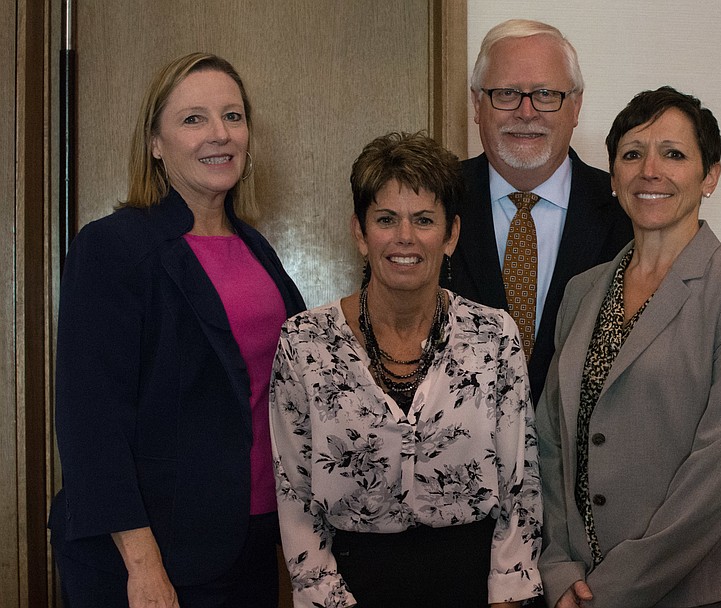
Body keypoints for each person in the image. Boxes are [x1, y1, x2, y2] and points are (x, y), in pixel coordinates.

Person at [48, 53, 305, 607]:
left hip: (253, 541)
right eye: (194, 119)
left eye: (233, 116)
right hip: (154, 555)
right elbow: (90, 421)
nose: (220, 134)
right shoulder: (113, 247)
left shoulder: (256, 249)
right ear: (155, 143)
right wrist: (142, 567)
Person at [269, 132, 542, 608]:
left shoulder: (494, 336)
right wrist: (327, 599)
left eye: (424, 220)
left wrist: (507, 595)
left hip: (471, 583)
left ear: (451, 234)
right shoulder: (304, 343)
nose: (405, 237)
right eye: (386, 219)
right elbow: (293, 492)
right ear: (360, 232)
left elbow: (521, 482)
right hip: (351, 586)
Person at [537, 86, 721, 608]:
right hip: (579, 587)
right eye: (632, 154)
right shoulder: (583, 290)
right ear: (613, 177)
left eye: (674, 154)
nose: (650, 170)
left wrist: (617, 589)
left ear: (710, 176)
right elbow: (552, 437)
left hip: (701, 592)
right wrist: (559, 565)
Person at [449, 19, 633, 406]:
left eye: (546, 94)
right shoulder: (435, 202)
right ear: (477, 105)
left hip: (580, 460)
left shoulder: (627, 212)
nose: (526, 112)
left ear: (576, 105)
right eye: (507, 93)